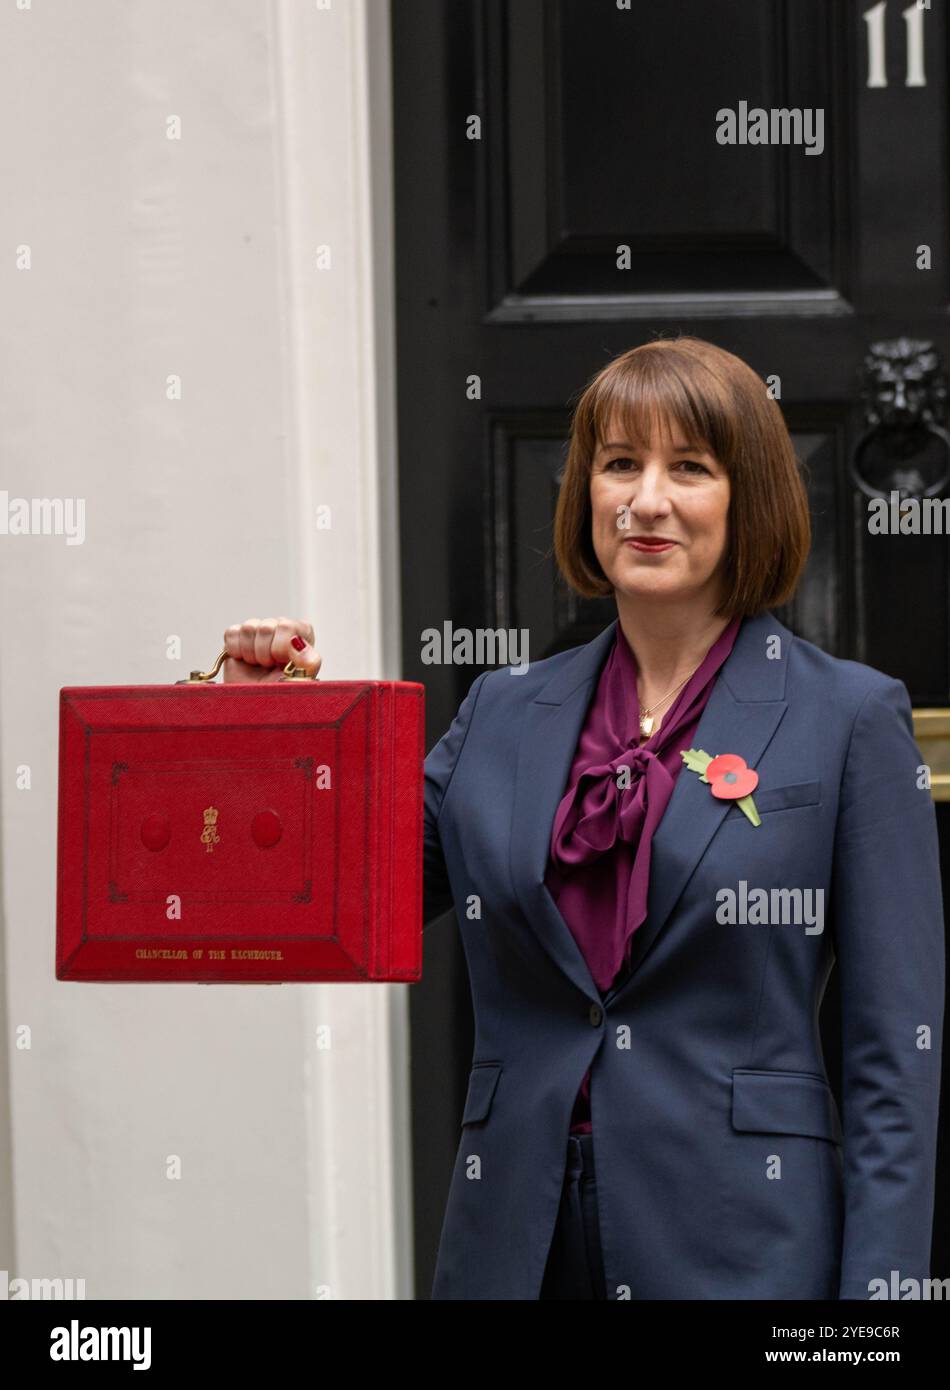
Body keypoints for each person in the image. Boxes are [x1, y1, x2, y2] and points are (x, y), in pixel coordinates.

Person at [221, 336, 945, 1301]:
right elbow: (339, 902)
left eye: (688, 467)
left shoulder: (849, 716)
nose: (646, 500)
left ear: (750, 497)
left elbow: (895, 1058)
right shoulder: (501, 709)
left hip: (746, 1248)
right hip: (513, 1244)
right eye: (618, 464)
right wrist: (269, 728)